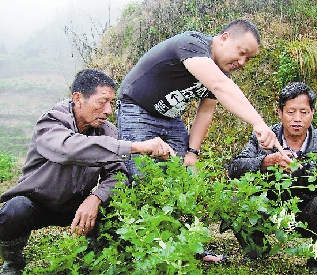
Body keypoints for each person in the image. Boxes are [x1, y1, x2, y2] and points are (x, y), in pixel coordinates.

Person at [0, 68, 175, 275]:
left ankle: (96, 253)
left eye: (111, 102)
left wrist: (96, 197)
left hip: (77, 203)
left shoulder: (107, 130)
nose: (108, 110)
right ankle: (12, 261)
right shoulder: (50, 122)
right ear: (78, 98)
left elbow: (117, 176)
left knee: (115, 201)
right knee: (14, 210)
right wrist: (135, 147)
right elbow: (69, 149)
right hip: (38, 202)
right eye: (102, 101)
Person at [117, 19, 288, 183]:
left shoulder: (220, 71)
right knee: (139, 177)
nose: (242, 62)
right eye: (241, 53)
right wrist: (258, 123)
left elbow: (205, 111)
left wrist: (193, 152)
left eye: (248, 59)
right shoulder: (191, 44)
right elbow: (220, 86)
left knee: (181, 176)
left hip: (171, 117)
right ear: (224, 38)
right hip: (137, 109)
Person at [228, 82, 317, 275]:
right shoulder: (264, 138)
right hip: (269, 210)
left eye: (304, 112)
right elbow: (234, 169)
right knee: (236, 201)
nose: (297, 119)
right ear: (280, 112)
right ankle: (256, 251)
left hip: (309, 214)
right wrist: (265, 162)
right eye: (291, 112)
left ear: (312, 113)